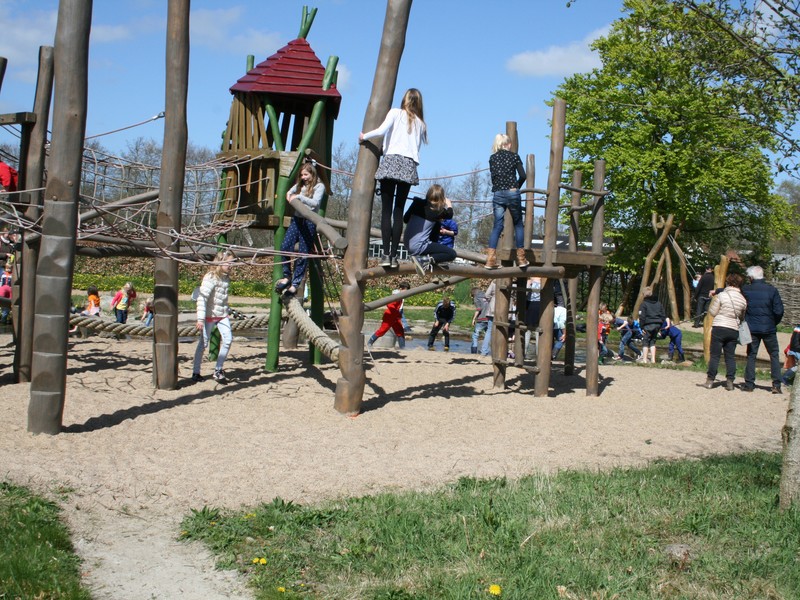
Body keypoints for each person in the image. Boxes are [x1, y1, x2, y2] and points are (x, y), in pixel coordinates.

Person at [360, 88, 427, 268]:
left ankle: (386, 254)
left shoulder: (396, 113)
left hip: (391, 162)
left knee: (386, 212)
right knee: (398, 212)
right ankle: (395, 256)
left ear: (404, 99)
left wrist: (364, 136)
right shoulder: (421, 123)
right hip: (408, 166)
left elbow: (381, 130)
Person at [275, 162, 325, 297]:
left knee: (303, 253)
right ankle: (287, 276)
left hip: (309, 222)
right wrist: (289, 194)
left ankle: (295, 284)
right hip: (297, 220)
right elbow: (290, 192)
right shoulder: (300, 185)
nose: (303, 177)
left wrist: (299, 197)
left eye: (306, 174)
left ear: (312, 174)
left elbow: (315, 203)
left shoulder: (319, 186)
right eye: (302, 175)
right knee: (285, 246)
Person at [485, 133, 529, 270]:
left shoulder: (492, 158)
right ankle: (521, 258)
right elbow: (523, 175)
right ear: (507, 144)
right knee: (518, 224)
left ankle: (491, 259)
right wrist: (516, 187)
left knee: (497, 225)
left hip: (498, 193)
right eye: (509, 143)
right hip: (512, 191)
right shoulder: (514, 156)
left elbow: (494, 177)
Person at [740, 265, 784, 394]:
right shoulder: (772, 290)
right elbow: (779, 310)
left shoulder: (746, 289)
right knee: (774, 355)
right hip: (769, 328)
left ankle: (749, 384)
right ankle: (776, 385)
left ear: (751, 277)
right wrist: (773, 322)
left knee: (751, 355)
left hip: (752, 328)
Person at [193, 250, 235, 383]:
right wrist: (200, 318)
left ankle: (218, 369)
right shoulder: (211, 277)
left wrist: (228, 310)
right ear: (221, 262)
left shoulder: (226, 278)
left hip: (222, 315)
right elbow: (202, 298)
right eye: (229, 263)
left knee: (228, 339)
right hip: (208, 316)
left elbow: (221, 299)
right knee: (203, 344)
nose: (231, 266)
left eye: (232, 263)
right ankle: (196, 372)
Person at [701, 273, 747, 390]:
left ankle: (710, 380)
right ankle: (730, 381)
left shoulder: (722, 295)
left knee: (715, 355)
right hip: (733, 329)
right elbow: (742, 317)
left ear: (728, 283)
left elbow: (713, 312)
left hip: (720, 326)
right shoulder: (743, 300)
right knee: (730, 356)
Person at [403, 184, 457, 276]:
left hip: (407, 243)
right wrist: (449, 204)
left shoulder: (417, 203)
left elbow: (405, 219)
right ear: (441, 199)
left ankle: (427, 258)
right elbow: (449, 214)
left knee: (437, 224)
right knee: (452, 254)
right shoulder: (438, 211)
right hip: (419, 246)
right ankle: (424, 260)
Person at [367, 281, 410, 349]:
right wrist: (397, 313)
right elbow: (389, 305)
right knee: (382, 330)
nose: (406, 292)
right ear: (401, 289)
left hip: (395, 317)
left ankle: (403, 348)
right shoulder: (395, 296)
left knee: (400, 332)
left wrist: (397, 315)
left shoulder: (400, 296)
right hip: (389, 316)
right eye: (406, 290)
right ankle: (370, 342)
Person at [638, 287, 666, 363]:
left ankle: (644, 360)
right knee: (653, 341)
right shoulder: (658, 303)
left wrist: (641, 327)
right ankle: (653, 360)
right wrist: (660, 324)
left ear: (644, 295)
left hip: (648, 324)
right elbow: (663, 315)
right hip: (657, 324)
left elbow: (642, 316)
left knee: (645, 341)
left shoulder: (644, 304)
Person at [471, 282, 495, 355]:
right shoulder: (486, 296)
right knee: (488, 334)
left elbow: (479, 309)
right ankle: (487, 350)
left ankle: (474, 350)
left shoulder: (476, 298)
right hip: (489, 317)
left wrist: (474, 319)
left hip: (481, 318)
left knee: (475, 335)